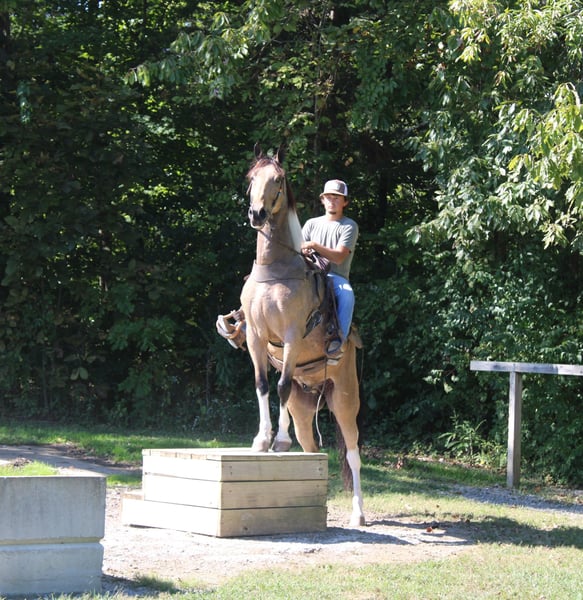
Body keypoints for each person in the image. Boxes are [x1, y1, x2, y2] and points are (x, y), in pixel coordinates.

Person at [301, 179, 358, 357]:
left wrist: (314, 245)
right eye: (328, 197)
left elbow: (339, 257)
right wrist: (304, 250)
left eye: (337, 197)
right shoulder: (311, 223)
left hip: (334, 276)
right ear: (322, 200)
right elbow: (298, 249)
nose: (332, 201)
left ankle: (338, 340)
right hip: (308, 273)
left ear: (345, 202)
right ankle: (245, 324)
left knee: (347, 295)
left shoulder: (349, 225)